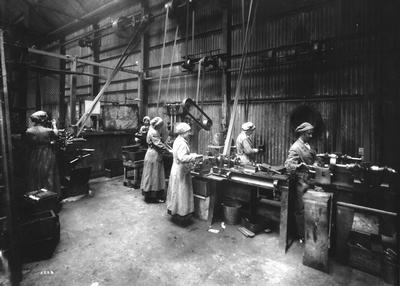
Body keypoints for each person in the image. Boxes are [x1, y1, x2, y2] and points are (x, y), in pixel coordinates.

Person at [284, 122, 317, 242]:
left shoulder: (307, 145)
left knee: (308, 207)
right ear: (302, 133)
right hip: (301, 181)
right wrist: (299, 165)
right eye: (309, 133)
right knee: (301, 208)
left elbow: (313, 157)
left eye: (311, 133)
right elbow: (288, 165)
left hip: (310, 179)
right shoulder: (295, 147)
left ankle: (308, 232)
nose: (311, 135)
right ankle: (302, 235)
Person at [167, 122, 201, 225]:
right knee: (182, 192)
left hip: (177, 169)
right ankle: (182, 214)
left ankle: (176, 212)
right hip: (181, 170)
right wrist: (194, 156)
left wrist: (190, 154)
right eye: (187, 132)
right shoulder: (181, 143)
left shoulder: (178, 140)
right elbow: (182, 157)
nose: (189, 133)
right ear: (182, 133)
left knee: (177, 191)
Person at [26, 110, 61, 198]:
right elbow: (56, 135)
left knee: (36, 174)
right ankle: (49, 197)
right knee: (48, 174)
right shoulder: (48, 130)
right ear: (43, 120)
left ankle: (36, 196)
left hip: (35, 154)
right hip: (47, 153)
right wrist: (54, 124)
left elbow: (29, 143)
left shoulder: (29, 131)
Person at [140, 117, 171, 203]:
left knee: (150, 175)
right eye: (160, 125)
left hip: (151, 154)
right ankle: (154, 197)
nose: (161, 127)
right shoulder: (153, 132)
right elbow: (158, 144)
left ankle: (149, 195)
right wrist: (169, 151)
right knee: (154, 177)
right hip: (154, 156)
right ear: (157, 125)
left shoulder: (152, 130)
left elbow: (159, 142)